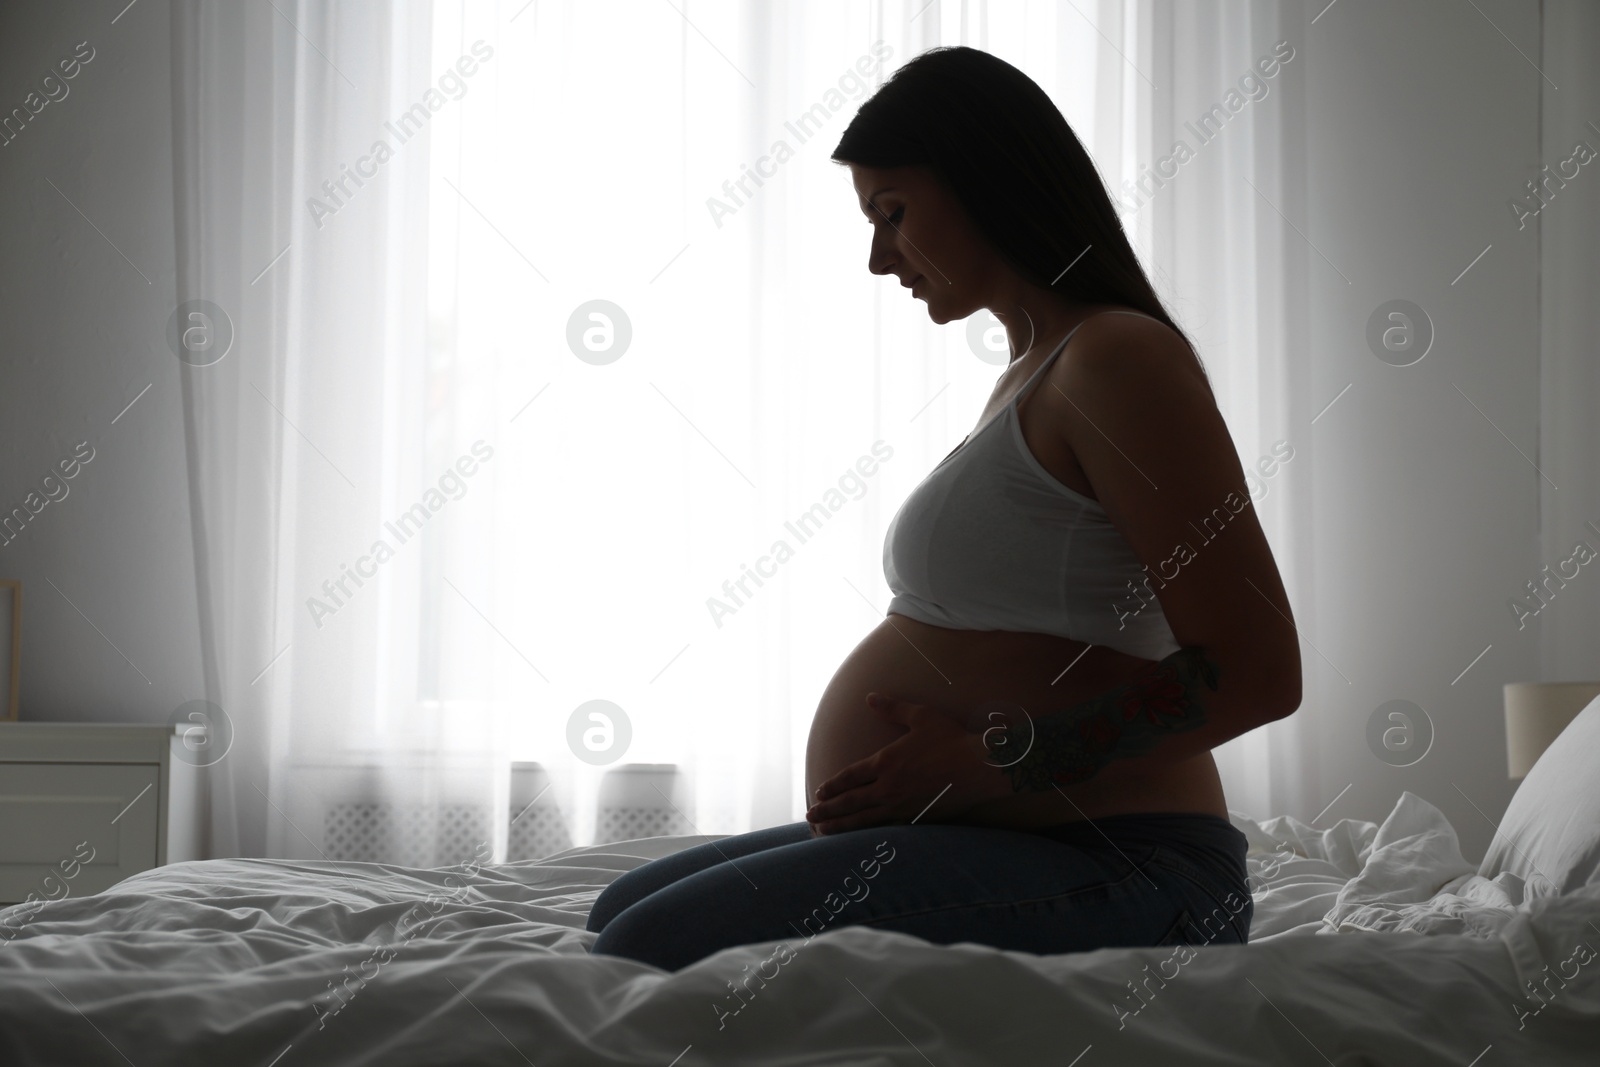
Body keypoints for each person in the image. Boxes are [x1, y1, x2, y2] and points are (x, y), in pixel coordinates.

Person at [587, 45, 1301, 972]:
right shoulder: (1030, 373)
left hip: (1134, 868)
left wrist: (999, 759)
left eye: (892, 213)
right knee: (621, 907)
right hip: (1034, 839)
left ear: (986, 182)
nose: (880, 258)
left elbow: (1258, 670)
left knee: (652, 940)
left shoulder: (1117, 358)